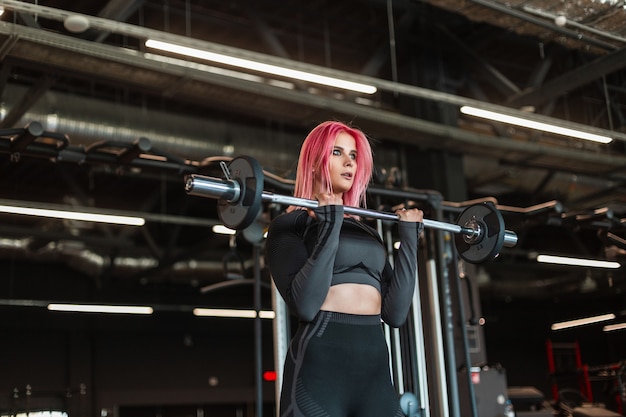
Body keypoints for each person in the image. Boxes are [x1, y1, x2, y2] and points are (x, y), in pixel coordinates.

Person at [265, 120, 424, 417]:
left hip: (374, 365)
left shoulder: (367, 232)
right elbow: (307, 304)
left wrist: (409, 239)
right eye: (337, 152)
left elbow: (396, 313)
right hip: (320, 368)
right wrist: (329, 223)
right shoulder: (290, 225)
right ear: (314, 162)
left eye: (353, 155)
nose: (349, 162)